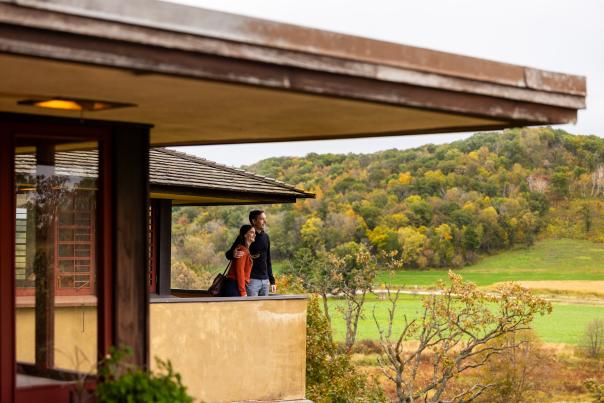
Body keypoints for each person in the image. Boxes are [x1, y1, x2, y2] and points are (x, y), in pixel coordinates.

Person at [226, 210, 276, 296]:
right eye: (262, 219)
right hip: (251, 280)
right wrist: (233, 254)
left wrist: (272, 281)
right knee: (252, 308)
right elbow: (229, 254)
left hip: (265, 280)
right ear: (253, 221)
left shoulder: (266, 237)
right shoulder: (247, 236)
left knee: (263, 308)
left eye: (265, 219)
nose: (265, 221)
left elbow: (268, 260)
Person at [222, 224, 255, 297]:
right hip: (234, 285)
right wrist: (243, 292)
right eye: (252, 232)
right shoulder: (242, 250)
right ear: (245, 235)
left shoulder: (245, 249)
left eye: (254, 232)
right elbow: (240, 272)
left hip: (236, 285)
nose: (254, 235)